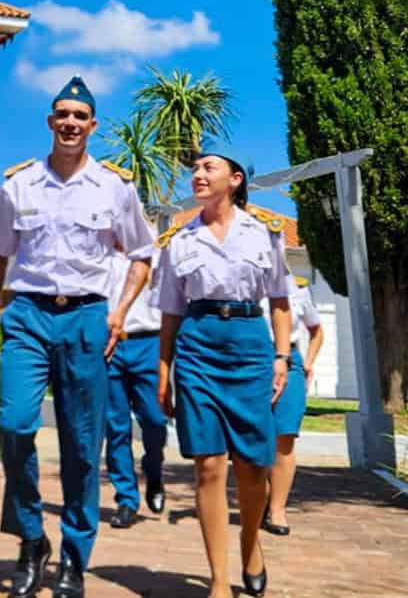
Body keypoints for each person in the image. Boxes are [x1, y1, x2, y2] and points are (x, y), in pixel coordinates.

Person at [0, 76, 155, 598]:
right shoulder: (20, 184)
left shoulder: (115, 188)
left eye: (80, 116)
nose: (71, 123)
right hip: (28, 313)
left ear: (93, 126)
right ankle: (32, 538)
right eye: (62, 115)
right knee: (13, 423)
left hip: (86, 320)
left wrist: (119, 312)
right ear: (50, 122)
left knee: (81, 445)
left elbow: (142, 255)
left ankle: (74, 558)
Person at [155, 146, 292, 598]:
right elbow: (171, 313)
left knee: (253, 466)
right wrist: (164, 370)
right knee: (209, 466)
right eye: (194, 169)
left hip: (251, 346)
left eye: (208, 167)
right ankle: (217, 580)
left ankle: (251, 545)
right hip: (197, 344)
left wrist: (281, 357)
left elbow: (279, 301)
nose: (197, 174)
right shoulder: (179, 240)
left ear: (234, 179)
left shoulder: (264, 234)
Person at [103, 250, 168, 529]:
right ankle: (127, 499)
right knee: (115, 426)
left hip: (148, 343)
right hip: (108, 346)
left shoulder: (156, 252)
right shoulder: (98, 252)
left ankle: (154, 471)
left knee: (155, 419)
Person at [262, 273, 323, 536]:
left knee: (284, 436)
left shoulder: (297, 287)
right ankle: (260, 501)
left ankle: (277, 509)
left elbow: (317, 330)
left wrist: (308, 362)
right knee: (256, 436)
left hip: (290, 361)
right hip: (253, 360)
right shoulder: (243, 282)